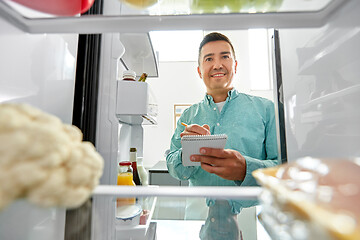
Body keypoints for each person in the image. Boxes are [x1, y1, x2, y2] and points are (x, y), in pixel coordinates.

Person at [166, 32, 279, 239]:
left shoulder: (266, 110)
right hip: (197, 216)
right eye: (209, 59)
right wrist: (187, 153)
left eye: (224, 57)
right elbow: (173, 167)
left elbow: (281, 168)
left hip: (252, 215)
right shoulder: (189, 115)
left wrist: (246, 168)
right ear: (200, 71)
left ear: (235, 65)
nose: (217, 64)